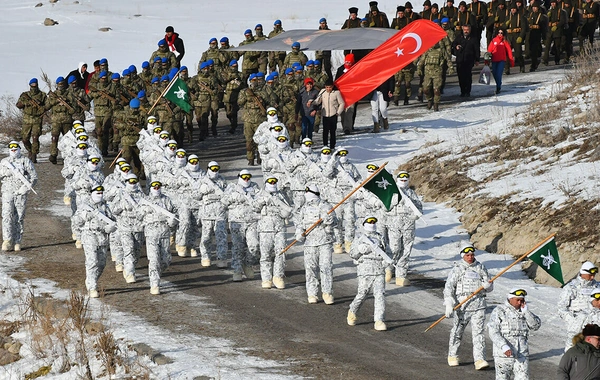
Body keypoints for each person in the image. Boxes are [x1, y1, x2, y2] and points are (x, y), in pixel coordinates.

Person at [444, 242, 493, 370]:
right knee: (457, 331)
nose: (470, 257)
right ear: (462, 256)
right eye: (467, 255)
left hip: (479, 305)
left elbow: (489, 286)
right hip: (463, 306)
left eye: (472, 254)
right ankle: (453, 355)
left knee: (479, 333)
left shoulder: (481, 268)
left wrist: (488, 286)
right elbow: (449, 288)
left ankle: (479, 359)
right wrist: (449, 303)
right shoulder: (457, 269)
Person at [295, 184, 337, 304]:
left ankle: (327, 292)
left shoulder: (326, 206)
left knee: (326, 267)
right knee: (310, 269)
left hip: (325, 242)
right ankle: (312, 293)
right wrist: (299, 233)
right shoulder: (303, 208)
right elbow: (299, 223)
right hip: (309, 243)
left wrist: (328, 220)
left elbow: (335, 222)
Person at [72, 185, 116, 298]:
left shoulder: (106, 207)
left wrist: (110, 228)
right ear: (91, 193)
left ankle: (91, 279)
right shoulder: (84, 207)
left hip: (102, 238)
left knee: (101, 264)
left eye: (101, 193)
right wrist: (86, 217)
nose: (100, 195)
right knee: (92, 262)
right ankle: (92, 287)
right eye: (97, 193)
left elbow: (113, 221)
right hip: (89, 236)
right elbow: (76, 221)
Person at [487, 288, 542, 380]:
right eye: (518, 300)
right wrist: (503, 346)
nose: (520, 302)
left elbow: (535, 326)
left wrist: (526, 313)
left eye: (522, 300)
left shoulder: (524, 312)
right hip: (503, 354)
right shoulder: (499, 311)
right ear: (510, 299)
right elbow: (493, 331)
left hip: (522, 353)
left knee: (523, 378)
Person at [347, 217, 388, 331]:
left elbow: (387, 251)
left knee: (380, 295)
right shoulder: (360, 237)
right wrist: (360, 250)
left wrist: (386, 261)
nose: (372, 224)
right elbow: (352, 254)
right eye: (370, 222)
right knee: (362, 294)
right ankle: (353, 310)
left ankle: (379, 320)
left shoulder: (380, 237)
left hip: (379, 269)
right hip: (365, 270)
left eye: (374, 222)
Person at [252, 176, 292, 289]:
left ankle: (278, 276)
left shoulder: (281, 195)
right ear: (266, 182)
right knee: (265, 255)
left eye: (275, 181)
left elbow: (288, 210)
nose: (273, 183)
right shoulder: (260, 195)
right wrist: (263, 201)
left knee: (281, 252)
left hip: (279, 228)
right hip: (265, 229)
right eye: (271, 181)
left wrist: (282, 210)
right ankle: (266, 279)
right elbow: (254, 208)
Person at [221, 170, 260, 282]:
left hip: (252, 221)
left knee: (254, 245)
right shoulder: (232, 187)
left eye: (248, 177)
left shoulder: (255, 187)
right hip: (237, 222)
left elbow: (260, 200)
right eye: (244, 177)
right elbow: (223, 201)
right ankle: (237, 270)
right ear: (239, 177)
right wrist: (234, 198)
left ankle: (247, 264)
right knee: (238, 247)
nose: (246, 179)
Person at [139, 181, 178, 295]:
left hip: (164, 233)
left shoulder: (167, 200)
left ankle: (156, 274)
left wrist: (173, 221)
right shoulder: (145, 201)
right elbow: (138, 216)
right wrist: (144, 212)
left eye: (158, 187)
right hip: (151, 234)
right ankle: (154, 284)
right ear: (150, 188)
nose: (156, 188)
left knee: (166, 260)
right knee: (154, 259)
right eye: (154, 187)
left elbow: (175, 214)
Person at [0, 141, 37, 252]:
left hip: (21, 192)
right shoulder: (4, 162)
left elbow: (34, 177)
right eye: (11, 148)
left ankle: (17, 241)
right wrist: (9, 172)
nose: (14, 150)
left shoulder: (25, 161)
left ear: (20, 149)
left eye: (16, 148)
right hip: (7, 191)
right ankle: (7, 240)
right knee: (7, 215)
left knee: (19, 217)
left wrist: (26, 188)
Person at [558, 261, 600, 351]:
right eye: (590, 275)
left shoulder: (597, 287)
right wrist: (572, 321)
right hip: (576, 327)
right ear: (583, 273)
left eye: (594, 275)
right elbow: (561, 308)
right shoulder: (571, 287)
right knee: (573, 351)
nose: (592, 277)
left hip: (594, 325)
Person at [16, 78, 47, 163]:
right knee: (25, 139)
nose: (34, 86)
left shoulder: (42, 95)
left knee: (35, 137)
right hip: (27, 119)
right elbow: (18, 105)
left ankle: (34, 155)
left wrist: (40, 104)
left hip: (37, 118)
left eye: (35, 85)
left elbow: (47, 106)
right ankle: (30, 150)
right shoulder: (25, 95)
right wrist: (26, 103)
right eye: (32, 85)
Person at [312, 78, 344, 149]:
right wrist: (312, 102)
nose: (328, 89)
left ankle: (332, 146)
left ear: (332, 87)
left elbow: (342, 103)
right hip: (325, 115)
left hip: (333, 115)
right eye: (327, 87)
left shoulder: (336, 93)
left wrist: (338, 112)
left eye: (330, 87)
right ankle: (325, 145)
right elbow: (318, 101)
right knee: (325, 131)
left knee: (332, 131)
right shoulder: (323, 92)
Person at [452, 25, 479, 97]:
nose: (466, 31)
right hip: (460, 60)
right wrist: (456, 46)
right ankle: (462, 91)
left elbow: (476, 50)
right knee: (461, 76)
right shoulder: (459, 37)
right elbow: (454, 44)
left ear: (470, 30)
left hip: (469, 60)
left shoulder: (473, 38)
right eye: (465, 30)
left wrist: (477, 59)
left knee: (468, 76)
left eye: (467, 30)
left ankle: (468, 91)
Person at [335, 54, 357, 134]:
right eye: (346, 62)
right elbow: (336, 81)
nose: (347, 64)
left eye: (349, 62)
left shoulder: (356, 69)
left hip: (352, 93)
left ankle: (348, 128)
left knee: (350, 111)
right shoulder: (340, 70)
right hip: (342, 93)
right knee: (342, 111)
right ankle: (344, 126)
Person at [487, 29, 514, 94]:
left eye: (501, 33)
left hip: (502, 60)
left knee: (499, 74)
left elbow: (509, 51)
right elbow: (489, 50)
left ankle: (498, 86)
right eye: (499, 32)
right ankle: (498, 83)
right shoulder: (493, 41)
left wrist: (511, 60)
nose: (500, 34)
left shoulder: (505, 41)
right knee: (494, 73)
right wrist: (486, 60)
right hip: (494, 60)